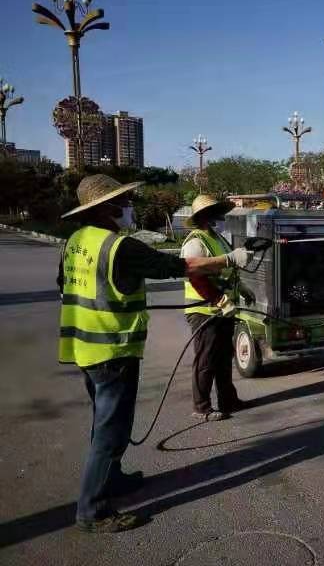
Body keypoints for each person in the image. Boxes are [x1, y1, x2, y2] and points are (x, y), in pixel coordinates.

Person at [58, 174, 251, 534]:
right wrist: (229, 258)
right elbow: (175, 267)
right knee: (111, 432)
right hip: (112, 350)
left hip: (84, 348)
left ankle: (111, 480)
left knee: (104, 424)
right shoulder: (118, 246)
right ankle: (92, 511)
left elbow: (64, 287)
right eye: (125, 202)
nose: (130, 207)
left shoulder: (74, 242)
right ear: (107, 209)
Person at [181, 195, 256, 422]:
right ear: (205, 217)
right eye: (217, 213)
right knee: (206, 359)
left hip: (223, 309)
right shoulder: (195, 242)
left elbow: (227, 268)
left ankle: (228, 399)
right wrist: (219, 300)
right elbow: (196, 277)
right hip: (204, 311)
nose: (222, 217)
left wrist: (241, 288)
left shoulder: (219, 239)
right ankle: (202, 407)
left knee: (224, 357)